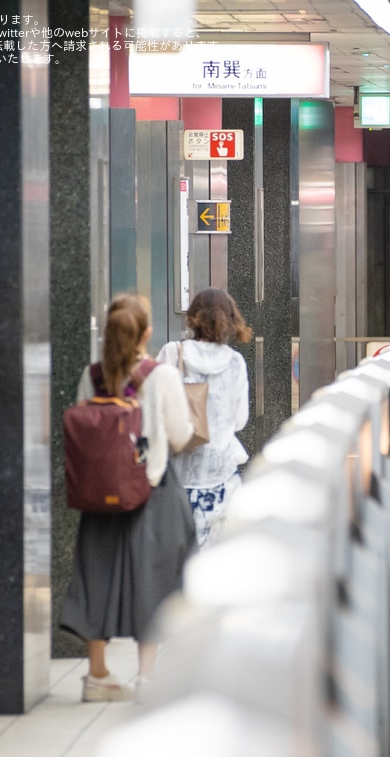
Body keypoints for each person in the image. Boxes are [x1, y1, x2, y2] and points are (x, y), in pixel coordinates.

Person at [61, 295, 196, 702]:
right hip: (152, 491)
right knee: (151, 578)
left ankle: (97, 675)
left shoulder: (92, 374)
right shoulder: (162, 376)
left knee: (96, 573)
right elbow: (179, 436)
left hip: (99, 493)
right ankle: (147, 676)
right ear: (146, 334)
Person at [157, 288, 252, 548]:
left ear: (193, 317)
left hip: (177, 481)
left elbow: (153, 408)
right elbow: (240, 421)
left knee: (177, 568)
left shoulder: (172, 353)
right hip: (222, 480)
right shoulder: (236, 363)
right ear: (231, 318)